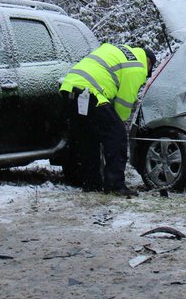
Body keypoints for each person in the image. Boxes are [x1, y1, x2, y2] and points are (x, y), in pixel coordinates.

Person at [60, 43, 156, 197]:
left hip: (69, 88)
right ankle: (115, 184)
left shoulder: (119, 50)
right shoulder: (138, 66)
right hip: (90, 92)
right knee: (117, 136)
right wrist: (120, 124)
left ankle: (91, 183)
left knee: (88, 138)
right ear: (149, 63)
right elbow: (124, 103)